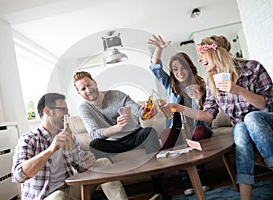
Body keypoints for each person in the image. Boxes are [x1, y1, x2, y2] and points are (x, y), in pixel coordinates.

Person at [160, 35, 273, 200]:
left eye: (202, 54)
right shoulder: (212, 81)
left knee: (251, 118)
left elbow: (267, 104)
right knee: (240, 128)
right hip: (243, 127)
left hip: (266, 120)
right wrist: (178, 108)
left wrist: (239, 90)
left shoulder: (252, 67)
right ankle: (245, 197)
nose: (199, 59)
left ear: (216, 53)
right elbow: (207, 116)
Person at [11, 93, 128, 200]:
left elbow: (80, 166)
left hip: (70, 190)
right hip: (45, 197)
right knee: (59, 196)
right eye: (64, 110)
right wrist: (51, 150)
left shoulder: (68, 137)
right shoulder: (29, 139)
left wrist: (86, 162)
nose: (68, 114)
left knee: (103, 163)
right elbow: (18, 176)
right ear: (47, 111)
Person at [73, 71, 165, 199]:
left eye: (89, 84)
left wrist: (146, 112)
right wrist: (116, 128)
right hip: (114, 143)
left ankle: (158, 185)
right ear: (79, 93)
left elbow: (137, 110)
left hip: (135, 136)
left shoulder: (116, 95)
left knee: (149, 132)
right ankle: (116, 191)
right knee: (95, 145)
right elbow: (94, 133)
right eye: (83, 88)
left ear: (95, 82)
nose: (88, 90)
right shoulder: (85, 108)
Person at [148, 34, 213, 195]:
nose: (180, 72)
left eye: (183, 67)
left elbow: (208, 116)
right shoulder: (170, 85)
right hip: (177, 126)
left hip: (198, 126)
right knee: (168, 135)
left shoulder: (201, 85)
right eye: (175, 69)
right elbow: (155, 66)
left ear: (189, 67)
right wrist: (159, 49)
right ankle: (183, 181)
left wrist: (199, 100)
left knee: (199, 132)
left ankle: (201, 179)